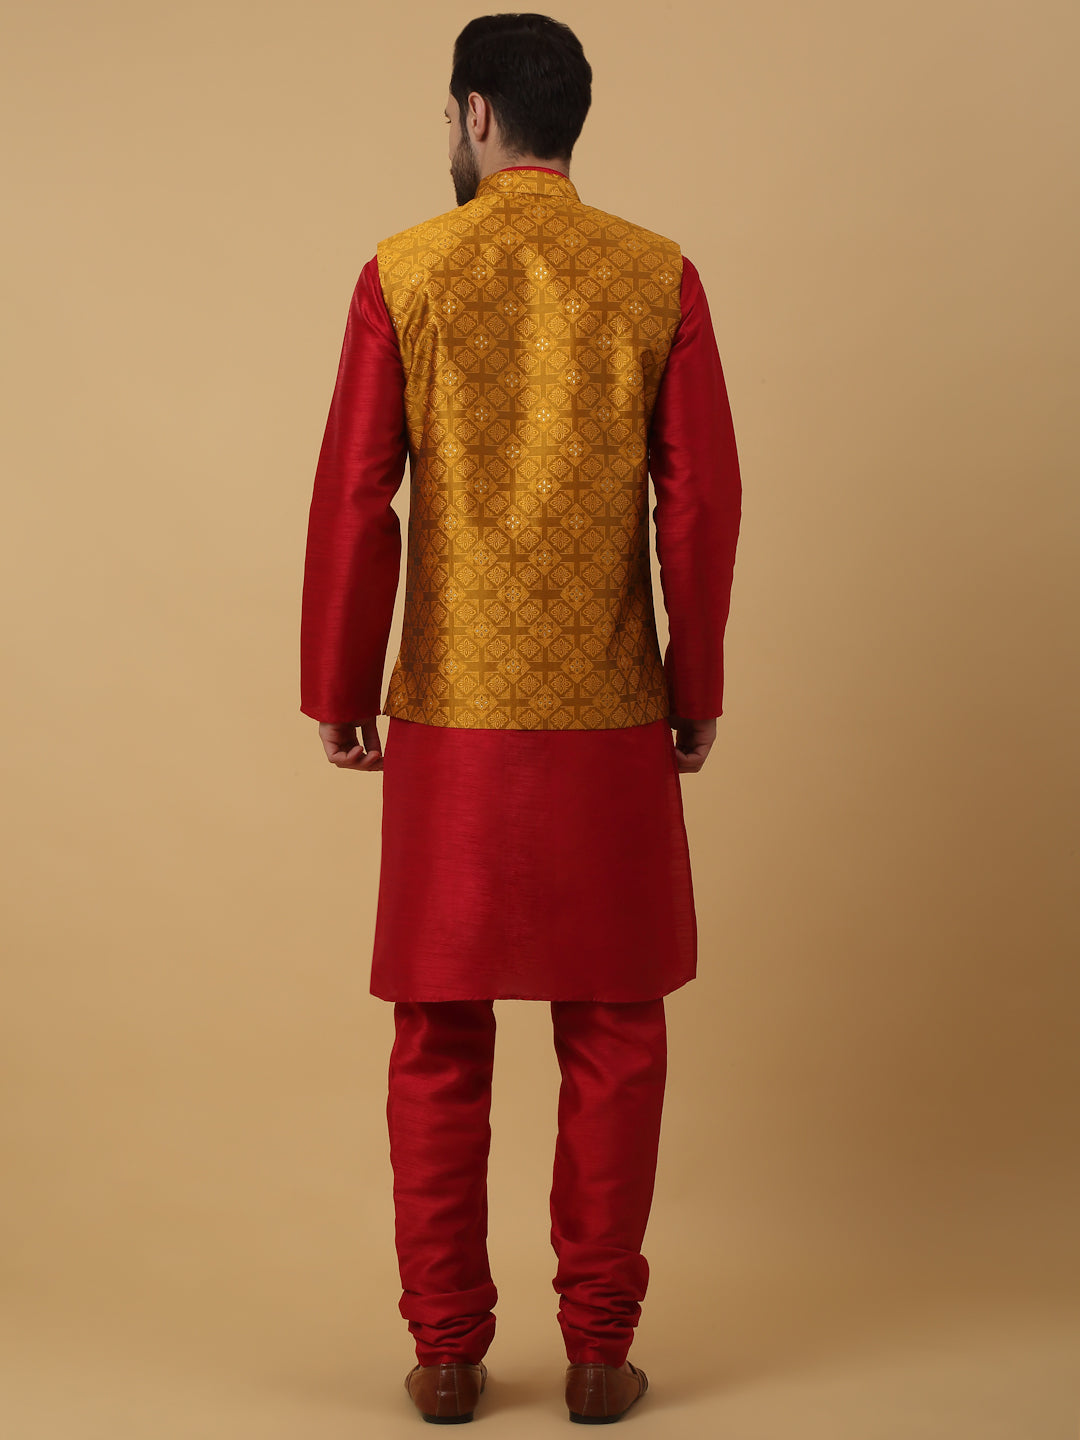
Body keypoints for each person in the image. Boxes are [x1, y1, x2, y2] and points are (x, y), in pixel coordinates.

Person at [299, 13, 742, 1425]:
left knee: (439, 1032)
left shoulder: (403, 272)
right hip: (608, 711)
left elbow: (355, 496)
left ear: (478, 114)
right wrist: (695, 687)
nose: (450, 133)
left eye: (450, 115)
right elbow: (702, 503)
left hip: (454, 715)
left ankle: (445, 1354)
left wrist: (339, 687)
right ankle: (600, 1353)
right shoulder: (658, 275)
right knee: (616, 1030)